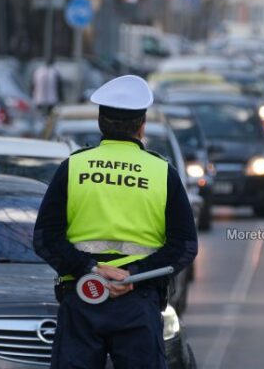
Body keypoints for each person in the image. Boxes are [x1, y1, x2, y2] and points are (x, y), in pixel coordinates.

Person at [33, 75, 198, 369]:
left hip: (83, 297)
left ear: (100, 123)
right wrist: (133, 275)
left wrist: (90, 269)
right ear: (142, 125)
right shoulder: (163, 173)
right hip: (138, 304)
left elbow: (46, 239)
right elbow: (183, 247)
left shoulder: (73, 168)